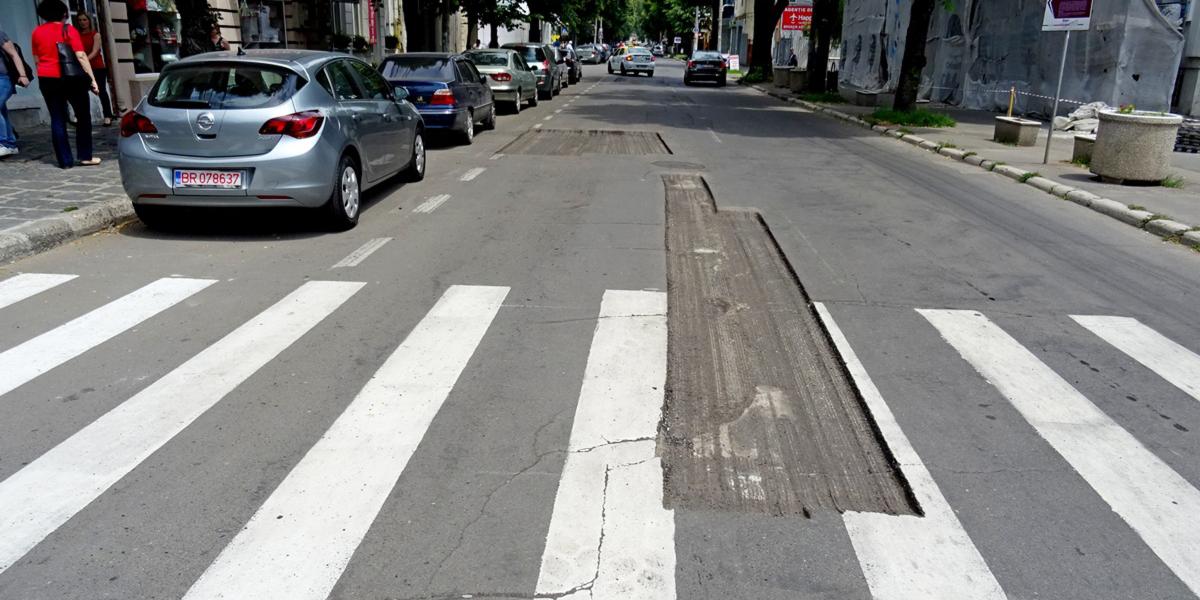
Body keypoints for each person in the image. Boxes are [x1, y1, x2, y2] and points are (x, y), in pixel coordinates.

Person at [31, 0, 100, 168]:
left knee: (57, 118)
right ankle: (85, 155)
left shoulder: (37, 32)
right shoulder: (68, 29)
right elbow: (81, 55)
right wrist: (92, 79)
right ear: (63, 13)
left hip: (47, 78)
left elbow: (37, 59)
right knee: (83, 116)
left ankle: (65, 161)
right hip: (71, 78)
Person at [75, 12, 113, 126]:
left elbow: (95, 51)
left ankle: (107, 115)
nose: (82, 22)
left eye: (84, 20)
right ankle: (81, 117)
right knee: (80, 92)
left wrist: (84, 60)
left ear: (89, 21)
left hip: (97, 67)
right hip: (82, 68)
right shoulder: (77, 35)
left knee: (101, 91)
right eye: (80, 20)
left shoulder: (96, 35)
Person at [0, 28, 31, 158]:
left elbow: (14, 54)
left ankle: (4, 143)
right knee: (2, 111)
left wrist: (22, 75)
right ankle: (10, 144)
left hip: (3, 78)